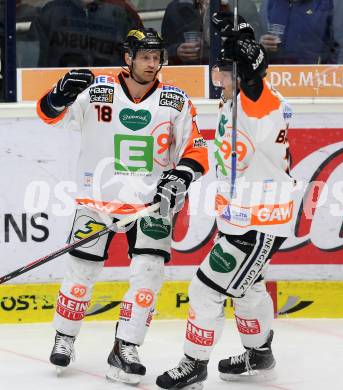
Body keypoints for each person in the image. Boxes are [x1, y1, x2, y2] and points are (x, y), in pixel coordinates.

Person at [36, 27, 208, 384]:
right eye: (144, 56)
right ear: (127, 58)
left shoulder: (175, 101)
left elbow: (197, 148)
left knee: (148, 276)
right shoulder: (96, 91)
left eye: (156, 56)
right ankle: (64, 337)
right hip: (97, 201)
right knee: (81, 274)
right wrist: (58, 95)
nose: (152, 63)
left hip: (150, 206)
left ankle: (126, 347)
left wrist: (182, 176)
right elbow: (49, 115)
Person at [156, 14, 296, 390]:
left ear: (245, 76)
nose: (221, 83)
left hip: (259, 223)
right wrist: (242, 33)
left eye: (226, 75)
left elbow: (258, 92)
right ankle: (260, 356)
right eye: (218, 75)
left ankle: (194, 363)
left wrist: (250, 70)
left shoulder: (260, 103)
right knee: (249, 288)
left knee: (205, 288)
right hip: (238, 218)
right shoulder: (233, 100)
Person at [29, 0, 143, 67]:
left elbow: (141, 59)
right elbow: (34, 66)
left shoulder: (122, 12)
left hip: (113, 92)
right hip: (61, 93)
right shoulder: (50, 13)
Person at [259, 0, 343, 64]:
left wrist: (333, 77)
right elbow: (257, 39)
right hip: (279, 78)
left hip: (317, 80)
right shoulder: (268, 3)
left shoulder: (334, 2)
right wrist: (262, 45)